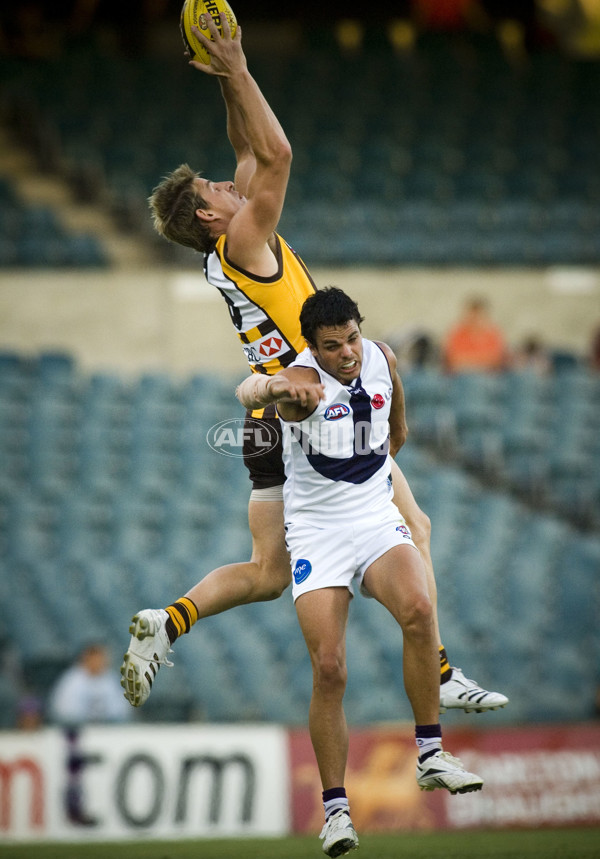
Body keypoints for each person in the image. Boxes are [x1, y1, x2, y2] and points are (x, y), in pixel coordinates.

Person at [121, 12, 508, 717]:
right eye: (214, 188)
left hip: (268, 417)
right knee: (414, 527)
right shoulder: (244, 240)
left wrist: (222, 79)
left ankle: (168, 619)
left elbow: (247, 146)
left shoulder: (227, 246)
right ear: (212, 218)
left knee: (268, 571)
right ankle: (442, 669)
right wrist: (237, 62)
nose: (227, 183)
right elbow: (279, 153)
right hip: (311, 413)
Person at [237, 287, 484, 857]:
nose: (347, 352)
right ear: (312, 348)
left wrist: (395, 426)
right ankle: (336, 811)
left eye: (351, 337)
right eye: (332, 346)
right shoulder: (303, 388)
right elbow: (248, 391)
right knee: (330, 669)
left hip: (373, 518)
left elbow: (396, 430)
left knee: (419, 610)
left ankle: (430, 755)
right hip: (317, 534)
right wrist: (271, 386)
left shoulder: (380, 356)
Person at [48, 642, 129, 725]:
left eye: (100, 659)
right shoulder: (72, 680)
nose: (97, 662)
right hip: (79, 729)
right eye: (94, 659)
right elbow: (65, 711)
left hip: (108, 729)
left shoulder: (111, 679)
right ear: (85, 659)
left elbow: (121, 710)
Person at [443, 296, 509, 373]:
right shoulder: (458, 333)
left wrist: (469, 359)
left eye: (479, 316)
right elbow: (454, 360)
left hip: (490, 375)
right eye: (473, 315)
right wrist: (484, 359)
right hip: (464, 375)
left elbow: (498, 359)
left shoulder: (493, 333)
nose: (475, 319)